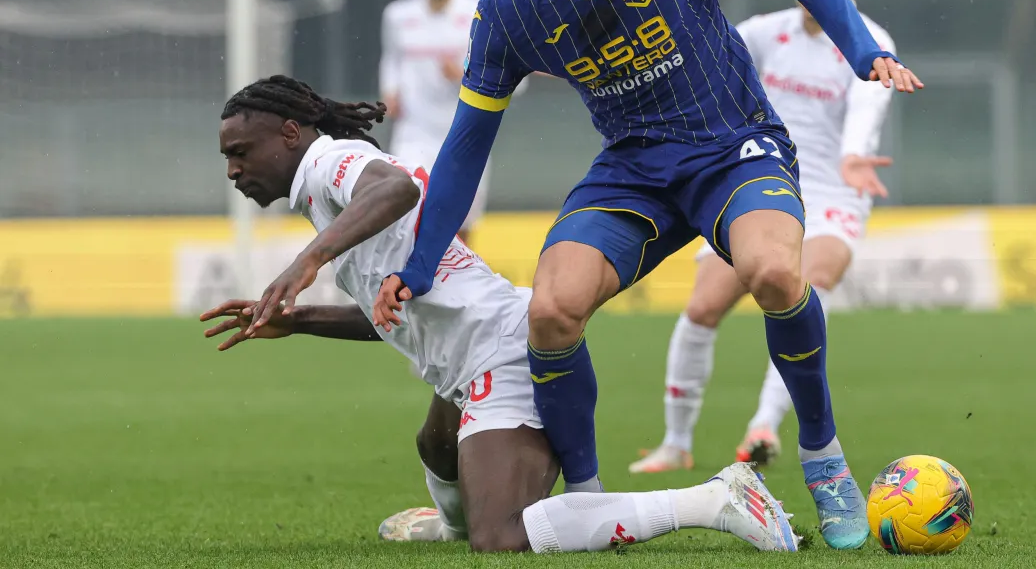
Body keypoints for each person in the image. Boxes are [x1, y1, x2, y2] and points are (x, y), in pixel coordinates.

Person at [251, 0, 923, 549]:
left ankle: (823, 458)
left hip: (732, 147)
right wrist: (417, 269)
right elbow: (466, 147)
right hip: (632, 170)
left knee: (776, 274)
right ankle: (590, 498)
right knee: (550, 312)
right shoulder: (508, 14)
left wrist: (865, 53)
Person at [205, 74, 798, 553]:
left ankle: (713, 500)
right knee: (437, 446)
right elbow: (395, 318)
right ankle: (450, 525)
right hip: (472, 354)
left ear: (290, 132)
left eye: (240, 152)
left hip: (501, 351)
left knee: (502, 538)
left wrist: (307, 260)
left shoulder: (329, 161)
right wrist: (297, 321)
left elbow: (395, 188)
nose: (232, 170)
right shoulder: (320, 195)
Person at [629, 0, 897, 475]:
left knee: (804, 289)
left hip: (833, 189)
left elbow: (868, 106)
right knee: (703, 307)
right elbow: (707, 59)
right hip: (760, 178)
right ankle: (676, 443)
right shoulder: (765, 32)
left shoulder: (870, 39)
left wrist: (853, 155)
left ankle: (764, 425)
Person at [378, 0, 487, 242]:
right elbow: (391, 58)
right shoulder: (397, 14)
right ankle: (413, 272)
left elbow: (508, 74)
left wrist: (465, 75)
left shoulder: (481, 11)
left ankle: (459, 272)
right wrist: (390, 91)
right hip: (414, 131)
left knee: (462, 220)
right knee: (409, 207)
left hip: (465, 133)